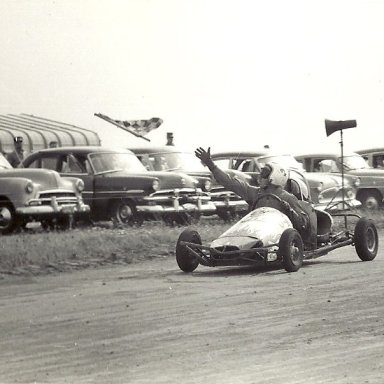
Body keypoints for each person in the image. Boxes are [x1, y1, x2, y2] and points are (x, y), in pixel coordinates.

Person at [195, 146, 314, 246]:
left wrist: (289, 209)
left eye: (264, 173)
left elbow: (304, 223)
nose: (260, 176)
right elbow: (230, 182)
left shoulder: (288, 198)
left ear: (275, 176)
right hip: (255, 235)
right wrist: (210, 164)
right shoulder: (255, 193)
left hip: (278, 241)